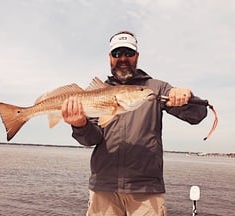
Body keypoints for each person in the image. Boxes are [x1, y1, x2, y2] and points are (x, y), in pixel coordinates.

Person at [61, 31, 207, 216]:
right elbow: (91, 139)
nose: (123, 58)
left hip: (146, 190)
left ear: (136, 56)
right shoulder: (98, 93)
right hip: (103, 187)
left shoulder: (155, 88)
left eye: (128, 53)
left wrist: (187, 98)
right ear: (110, 58)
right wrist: (80, 124)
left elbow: (197, 115)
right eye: (117, 54)